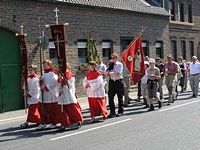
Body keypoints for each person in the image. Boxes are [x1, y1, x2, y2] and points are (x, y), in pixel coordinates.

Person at [57, 63, 83, 131]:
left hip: (69, 95)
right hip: (62, 96)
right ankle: (64, 124)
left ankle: (77, 121)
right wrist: (59, 90)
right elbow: (58, 85)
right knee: (63, 111)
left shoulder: (71, 77)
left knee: (72, 109)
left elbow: (70, 86)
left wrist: (64, 80)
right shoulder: (60, 76)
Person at [36, 60, 59, 130]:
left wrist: (46, 87)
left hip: (50, 94)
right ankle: (43, 122)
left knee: (52, 109)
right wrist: (40, 82)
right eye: (43, 65)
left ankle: (54, 123)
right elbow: (39, 82)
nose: (44, 66)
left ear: (49, 65)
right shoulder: (42, 73)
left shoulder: (52, 73)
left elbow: (54, 83)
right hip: (43, 94)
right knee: (43, 109)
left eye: (45, 65)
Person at [107, 53, 124, 118]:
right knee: (110, 96)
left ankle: (120, 111)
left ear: (117, 58)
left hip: (118, 81)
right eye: (112, 58)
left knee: (120, 97)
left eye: (114, 58)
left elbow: (118, 73)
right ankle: (112, 111)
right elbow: (107, 72)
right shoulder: (111, 64)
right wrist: (109, 71)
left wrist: (110, 73)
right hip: (112, 81)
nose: (113, 59)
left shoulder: (119, 64)